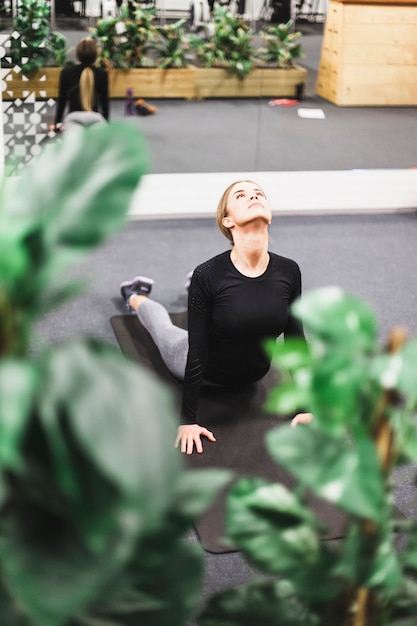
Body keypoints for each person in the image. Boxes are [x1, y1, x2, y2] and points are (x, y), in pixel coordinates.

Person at [120, 180, 312, 454]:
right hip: (200, 366)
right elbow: (197, 352)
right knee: (163, 327)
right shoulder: (208, 274)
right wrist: (187, 421)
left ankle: (202, 298)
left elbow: (295, 341)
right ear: (227, 220)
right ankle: (135, 296)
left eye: (258, 194)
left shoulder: (289, 271)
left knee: (220, 298)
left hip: (253, 374)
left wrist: (306, 407)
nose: (253, 196)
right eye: (241, 195)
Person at [49, 38, 109, 133]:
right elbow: (104, 102)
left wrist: (57, 125)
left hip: (73, 118)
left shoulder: (66, 73)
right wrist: (107, 124)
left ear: (78, 55)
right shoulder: (102, 74)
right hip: (95, 118)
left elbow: (62, 102)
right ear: (95, 56)